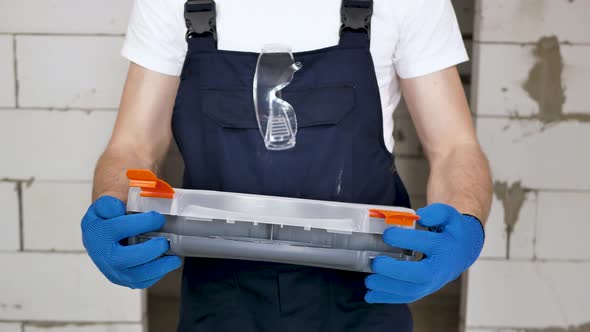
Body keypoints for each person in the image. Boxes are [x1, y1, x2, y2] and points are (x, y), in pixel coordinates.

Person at [81, 0, 492, 331]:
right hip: (219, 299)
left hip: (365, 296)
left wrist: (465, 225)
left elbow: (454, 147)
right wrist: (111, 205)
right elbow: (132, 145)